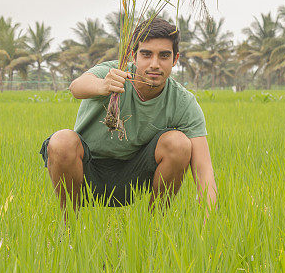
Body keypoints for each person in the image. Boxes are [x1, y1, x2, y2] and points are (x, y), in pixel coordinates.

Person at [40, 17, 217, 212]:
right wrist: (103, 86)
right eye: (146, 54)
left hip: (135, 178)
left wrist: (210, 226)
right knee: (61, 140)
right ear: (134, 56)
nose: (155, 64)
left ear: (175, 59)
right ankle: (70, 225)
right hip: (87, 171)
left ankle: (155, 230)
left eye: (164, 56)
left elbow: (203, 170)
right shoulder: (113, 74)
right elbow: (76, 87)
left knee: (179, 143)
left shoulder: (183, 102)